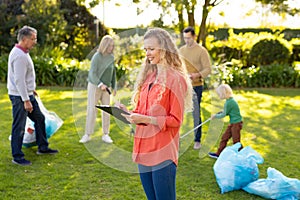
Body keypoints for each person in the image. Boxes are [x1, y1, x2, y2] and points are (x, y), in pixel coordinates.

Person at [120, 28, 193, 200]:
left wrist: (145, 119)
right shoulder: (149, 77)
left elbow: (176, 120)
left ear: (165, 48)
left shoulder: (176, 79)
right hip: (143, 150)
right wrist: (128, 113)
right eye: (145, 49)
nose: (148, 53)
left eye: (151, 49)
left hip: (162, 152)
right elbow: (143, 113)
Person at [7, 25, 58, 166]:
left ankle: (43, 147)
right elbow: (19, 80)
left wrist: (31, 90)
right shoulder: (19, 56)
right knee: (19, 126)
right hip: (20, 97)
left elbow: (24, 77)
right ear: (24, 39)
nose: (35, 41)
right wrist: (26, 100)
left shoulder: (23, 52)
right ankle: (17, 156)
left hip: (27, 94)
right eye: (33, 38)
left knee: (39, 118)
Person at [79, 35, 117, 144]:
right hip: (95, 86)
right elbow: (92, 74)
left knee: (106, 111)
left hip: (107, 88)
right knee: (92, 110)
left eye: (112, 46)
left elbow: (113, 73)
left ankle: (106, 134)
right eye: (110, 46)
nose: (111, 48)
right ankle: (87, 134)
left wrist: (114, 86)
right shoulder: (97, 56)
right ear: (104, 45)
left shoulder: (111, 57)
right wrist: (100, 84)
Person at [179, 26, 212, 150]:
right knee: (177, 112)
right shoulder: (181, 50)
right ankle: (176, 138)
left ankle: (197, 140)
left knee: (195, 113)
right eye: (185, 38)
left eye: (188, 38)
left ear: (194, 36)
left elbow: (208, 69)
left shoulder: (201, 51)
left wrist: (196, 75)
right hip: (182, 86)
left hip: (196, 86)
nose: (187, 41)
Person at [208, 84, 243, 159]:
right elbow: (226, 111)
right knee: (224, 138)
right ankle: (218, 154)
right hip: (232, 123)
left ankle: (241, 156)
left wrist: (215, 116)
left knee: (236, 141)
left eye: (220, 94)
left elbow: (224, 114)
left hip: (236, 124)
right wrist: (222, 111)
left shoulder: (229, 102)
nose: (219, 96)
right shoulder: (229, 101)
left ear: (225, 93)